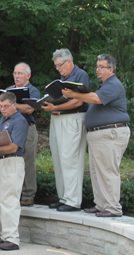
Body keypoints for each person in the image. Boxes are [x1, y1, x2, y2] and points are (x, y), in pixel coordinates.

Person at [62, 54, 130, 217]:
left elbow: (96, 98)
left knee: (107, 170)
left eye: (101, 67)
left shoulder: (113, 84)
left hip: (110, 133)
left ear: (111, 69)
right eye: (97, 66)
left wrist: (74, 94)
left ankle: (113, 207)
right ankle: (101, 205)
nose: (97, 69)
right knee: (96, 171)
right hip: (100, 134)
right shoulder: (105, 85)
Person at [42, 48, 90, 212]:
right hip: (58, 118)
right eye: (56, 66)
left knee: (71, 159)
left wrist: (56, 106)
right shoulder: (62, 79)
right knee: (59, 158)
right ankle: (64, 197)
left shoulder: (80, 75)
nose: (58, 68)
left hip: (73, 118)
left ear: (69, 61)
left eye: (60, 65)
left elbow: (78, 101)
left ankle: (73, 200)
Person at [0, 92, 29, 251]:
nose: (2, 109)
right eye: (1, 106)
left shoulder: (20, 121)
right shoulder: (5, 119)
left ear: (14, 105)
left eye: (6, 106)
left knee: (10, 199)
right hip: (2, 161)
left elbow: (14, 146)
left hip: (13, 161)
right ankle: (5, 235)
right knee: (2, 199)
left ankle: (13, 238)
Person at [0, 63, 40, 206]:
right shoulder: (8, 91)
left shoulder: (33, 91)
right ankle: (6, 193)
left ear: (28, 75)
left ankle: (28, 194)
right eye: (15, 73)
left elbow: (30, 109)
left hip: (27, 128)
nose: (16, 76)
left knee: (27, 160)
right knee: (5, 159)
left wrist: (12, 105)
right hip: (7, 128)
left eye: (20, 73)